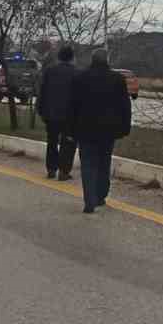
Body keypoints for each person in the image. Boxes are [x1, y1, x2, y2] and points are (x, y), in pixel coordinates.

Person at [69, 49, 132, 213]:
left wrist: (70, 129)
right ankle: (101, 195)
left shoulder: (80, 78)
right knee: (104, 162)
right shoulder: (117, 79)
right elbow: (125, 106)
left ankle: (89, 199)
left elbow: (72, 106)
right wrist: (125, 127)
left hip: (85, 129)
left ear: (92, 60)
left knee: (88, 165)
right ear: (107, 60)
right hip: (108, 130)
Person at [35, 45, 78, 181]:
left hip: (50, 114)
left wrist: (40, 110)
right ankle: (64, 171)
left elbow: (42, 91)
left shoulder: (49, 71)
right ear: (72, 58)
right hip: (70, 115)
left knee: (52, 141)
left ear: (59, 57)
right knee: (68, 143)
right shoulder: (77, 73)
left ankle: (51, 169)